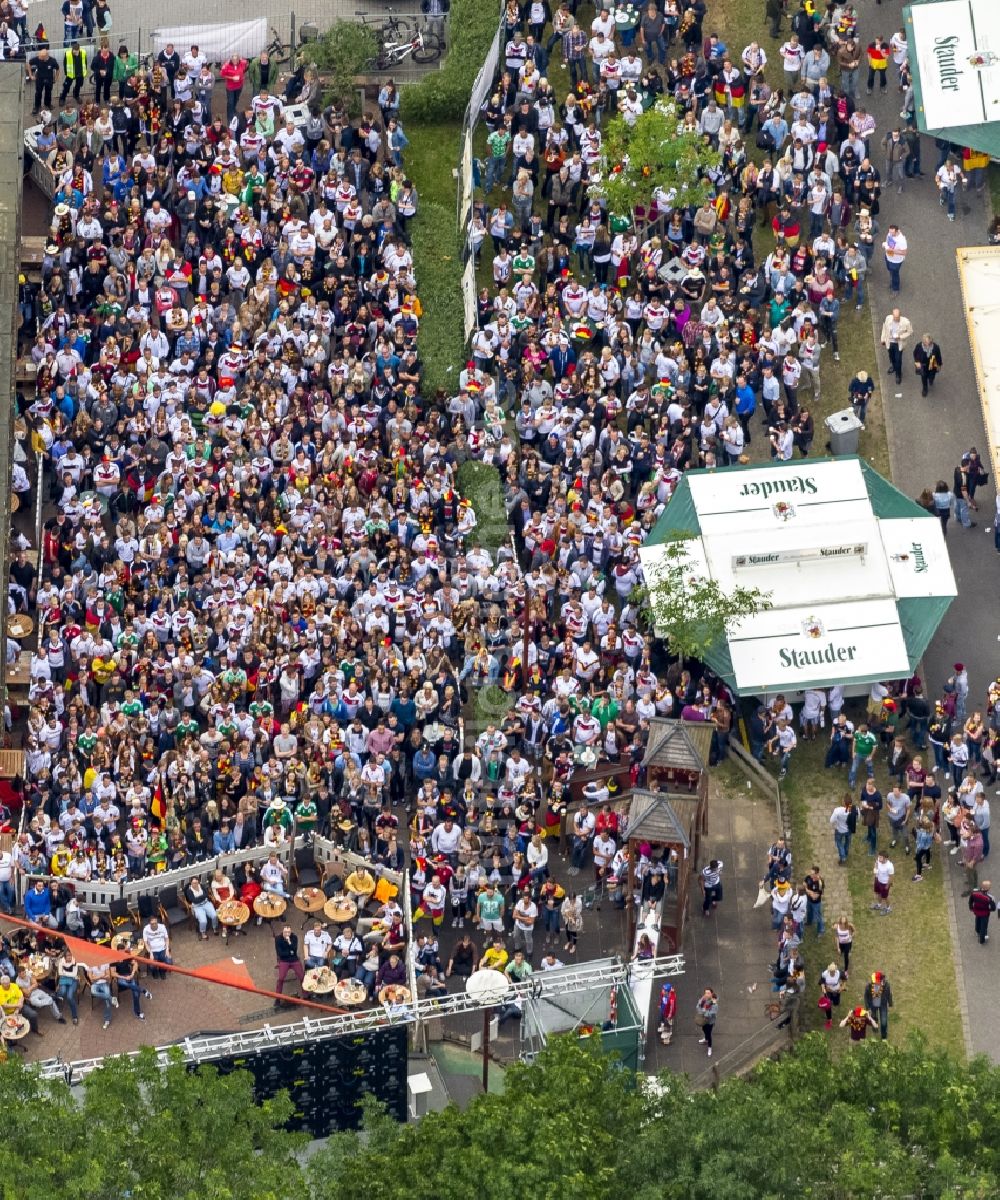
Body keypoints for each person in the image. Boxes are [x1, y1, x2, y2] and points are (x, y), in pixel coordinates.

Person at [879, 308, 912, 392]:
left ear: (900, 316)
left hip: (898, 343)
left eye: (897, 317)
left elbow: (910, 332)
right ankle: (893, 366)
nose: (895, 319)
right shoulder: (888, 318)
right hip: (889, 342)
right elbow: (884, 328)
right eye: (894, 317)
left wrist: (900, 337)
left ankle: (898, 374)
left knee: (898, 360)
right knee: (891, 356)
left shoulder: (906, 322)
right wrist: (882, 338)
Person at [274, 925, 305, 1006]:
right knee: (280, 979)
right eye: (285, 932)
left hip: (294, 960)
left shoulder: (294, 938)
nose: (287, 934)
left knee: (302, 977)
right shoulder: (278, 939)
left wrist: (289, 942)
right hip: (284, 961)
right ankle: (277, 998)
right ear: (282, 932)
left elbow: (294, 950)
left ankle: (306, 995)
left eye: (289, 932)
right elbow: (280, 953)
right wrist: (289, 952)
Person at [86, 961, 118, 1030]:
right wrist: (102, 976)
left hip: (104, 983)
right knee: (93, 992)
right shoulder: (91, 963)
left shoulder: (106, 962)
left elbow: (108, 976)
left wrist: (97, 977)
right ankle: (112, 998)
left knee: (107, 1002)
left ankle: (107, 1020)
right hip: (95, 984)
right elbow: (91, 979)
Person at [864, 970, 893, 1039]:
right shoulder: (869, 986)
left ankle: (884, 1036)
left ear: (881, 980)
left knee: (883, 1022)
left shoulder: (886, 985)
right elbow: (866, 996)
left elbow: (889, 994)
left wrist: (890, 1002)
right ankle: (875, 1028)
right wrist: (867, 1007)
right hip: (873, 1005)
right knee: (874, 1018)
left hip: (883, 1005)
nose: (875, 982)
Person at [695, 987, 718, 1057]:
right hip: (703, 1020)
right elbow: (697, 1007)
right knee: (703, 1029)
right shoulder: (703, 1000)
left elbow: (712, 1013)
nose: (706, 994)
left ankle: (709, 1047)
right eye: (705, 993)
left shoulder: (714, 1004)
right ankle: (705, 1039)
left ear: (712, 994)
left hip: (710, 1022)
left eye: (708, 993)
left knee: (708, 1033)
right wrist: (703, 1011)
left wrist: (704, 1011)